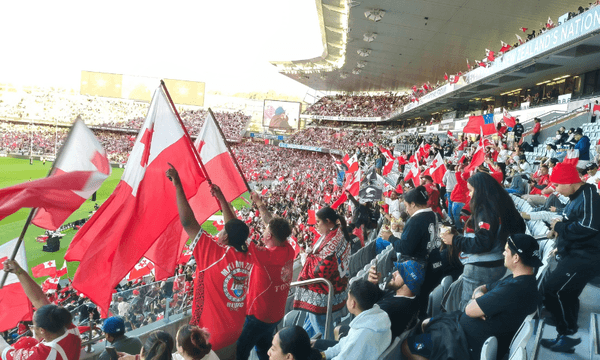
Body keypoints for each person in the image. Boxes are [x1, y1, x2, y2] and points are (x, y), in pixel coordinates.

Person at [402, 233, 543, 360]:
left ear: (516, 258)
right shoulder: (521, 280)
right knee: (425, 323)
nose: (503, 253)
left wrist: (476, 302)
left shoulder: (515, 288)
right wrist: (479, 298)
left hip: (465, 344)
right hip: (464, 332)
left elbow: (470, 310)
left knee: (407, 345)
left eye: (506, 251)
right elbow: (482, 288)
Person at [166, 165, 252, 358]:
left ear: (226, 238)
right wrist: (221, 200)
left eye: (222, 231)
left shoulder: (212, 255)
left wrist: (178, 184)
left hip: (208, 339)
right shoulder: (247, 254)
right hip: (236, 331)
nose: (219, 231)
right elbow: (234, 228)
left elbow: (188, 222)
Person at [441, 172, 526, 312]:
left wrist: (454, 240)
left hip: (481, 268)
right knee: (483, 305)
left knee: (468, 307)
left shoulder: (485, 209)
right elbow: (519, 228)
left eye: (471, 190)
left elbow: (482, 243)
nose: (469, 195)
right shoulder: (502, 204)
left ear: (481, 190)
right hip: (499, 263)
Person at [540, 163, 600, 353]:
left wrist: (559, 228)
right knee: (567, 293)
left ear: (569, 182)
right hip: (574, 252)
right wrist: (560, 243)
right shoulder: (575, 197)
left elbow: (588, 227)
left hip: (586, 256)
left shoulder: (589, 196)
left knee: (552, 290)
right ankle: (567, 334)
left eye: (557, 185)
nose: (555, 189)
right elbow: (569, 219)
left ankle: (565, 332)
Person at [236, 192, 295, 360]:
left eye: (266, 230)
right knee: (264, 350)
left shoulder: (265, 257)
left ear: (269, 236)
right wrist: (260, 204)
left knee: (241, 350)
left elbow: (236, 231)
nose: (264, 229)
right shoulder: (287, 248)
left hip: (258, 316)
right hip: (275, 314)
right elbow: (272, 223)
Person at [0, 259, 82, 360]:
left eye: (34, 325)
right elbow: (39, 299)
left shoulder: (43, 354)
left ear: (42, 330)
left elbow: (5, 351)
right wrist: (19, 271)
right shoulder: (70, 330)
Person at [380, 186, 442, 317]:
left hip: (419, 270)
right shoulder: (434, 215)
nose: (406, 210)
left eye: (407, 206)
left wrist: (390, 237)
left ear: (413, 204)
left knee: (418, 305)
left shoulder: (416, 220)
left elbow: (405, 248)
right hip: (434, 264)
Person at [293, 207, 351, 340]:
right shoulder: (338, 232)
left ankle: (328, 351)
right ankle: (300, 346)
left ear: (328, 221)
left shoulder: (333, 240)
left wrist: (305, 258)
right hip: (336, 289)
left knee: (324, 331)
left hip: (323, 296)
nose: (316, 225)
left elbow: (318, 271)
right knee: (309, 325)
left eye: (318, 222)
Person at [315, 279, 392, 360]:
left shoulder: (361, 334)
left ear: (353, 303)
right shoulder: (377, 318)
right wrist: (324, 355)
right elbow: (344, 343)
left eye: (348, 298)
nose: (346, 300)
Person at [367, 260, 424, 338]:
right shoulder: (409, 298)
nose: (393, 273)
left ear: (408, 283)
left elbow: (364, 320)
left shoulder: (391, 309)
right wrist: (372, 284)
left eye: (400, 273)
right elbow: (383, 296)